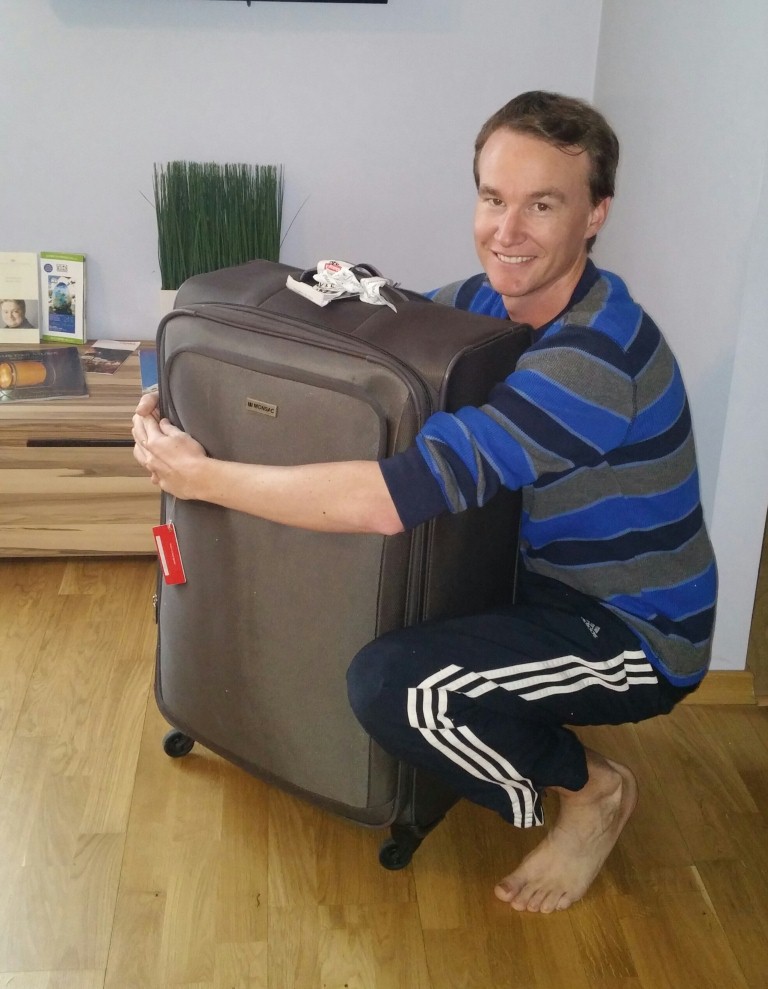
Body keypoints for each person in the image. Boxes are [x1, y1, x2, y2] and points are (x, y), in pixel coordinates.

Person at [132, 91, 717, 914]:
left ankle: (593, 790)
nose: (506, 231)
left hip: (630, 626)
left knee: (400, 686)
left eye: (542, 205)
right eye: (493, 198)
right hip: (531, 573)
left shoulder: (592, 359)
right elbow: (376, 349)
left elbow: (388, 502)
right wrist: (194, 396)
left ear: (595, 215)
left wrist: (201, 477)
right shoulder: (484, 304)